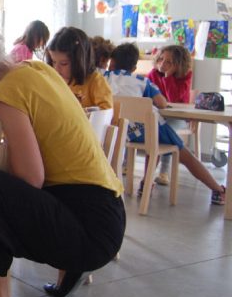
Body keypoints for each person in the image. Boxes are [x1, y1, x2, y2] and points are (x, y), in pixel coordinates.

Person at [0, 21, 125, 297]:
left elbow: (30, 178)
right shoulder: (37, 69)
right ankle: (59, 272)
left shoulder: (8, 92)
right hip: (107, 212)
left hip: (87, 229)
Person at [106, 43, 225, 205]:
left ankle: (146, 183)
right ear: (134, 67)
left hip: (126, 133)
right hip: (150, 130)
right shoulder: (142, 81)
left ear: (111, 63)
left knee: (153, 141)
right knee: (185, 155)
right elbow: (161, 103)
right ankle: (218, 190)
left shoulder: (104, 79)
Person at [147, 45, 194, 185]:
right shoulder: (153, 74)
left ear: (178, 65)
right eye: (161, 59)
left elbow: (172, 98)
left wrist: (168, 77)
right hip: (158, 115)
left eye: (169, 62)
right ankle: (145, 173)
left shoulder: (186, 76)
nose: (162, 64)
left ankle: (164, 171)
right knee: (154, 129)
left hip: (178, 117)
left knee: (167, 130)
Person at [46, 27, 113, 110]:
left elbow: (106, 111)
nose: (56, 69)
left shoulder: (95, 81)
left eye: (64, 63)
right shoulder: (56, 81)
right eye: (53, 62)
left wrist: (83, 111)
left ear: (80, 61)